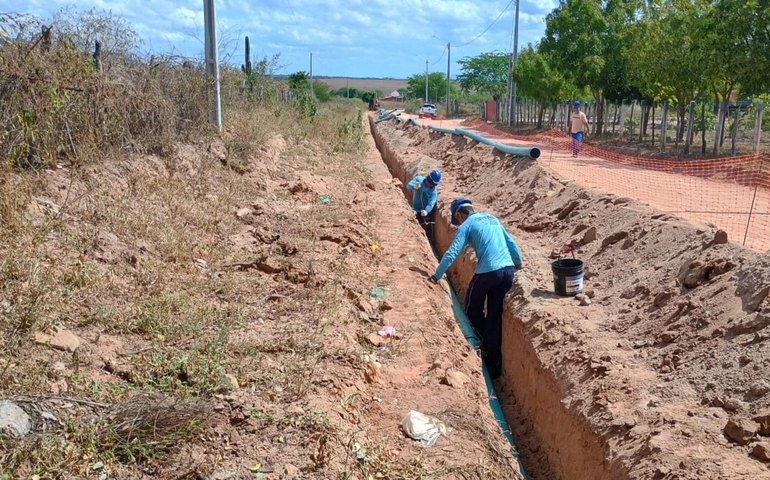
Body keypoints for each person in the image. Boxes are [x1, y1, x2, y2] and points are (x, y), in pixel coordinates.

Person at [428, 198, 523, 379]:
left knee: (472, 308)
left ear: (460, 215)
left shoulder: (468, 224)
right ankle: (494, 366)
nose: (459, 224)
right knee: (494, 318)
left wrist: (436, 276)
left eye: (458, 221)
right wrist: (517, 263)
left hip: (487, 273)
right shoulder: (492, 219)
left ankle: (483, 341)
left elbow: (453, 251)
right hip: (507, 272)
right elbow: (510, 243)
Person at [406, 170, 442, 241]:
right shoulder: (418, 180)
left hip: (427, 212)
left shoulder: (433, 192)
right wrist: (414, 186)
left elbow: (431, 204)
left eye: (433, 184)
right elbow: (408, 186)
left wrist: (426, 211)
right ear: (428, 178)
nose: (431, 185)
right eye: (430, 183)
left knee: (427, 227)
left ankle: (429, 240)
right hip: (416, 209)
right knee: (416, 226)